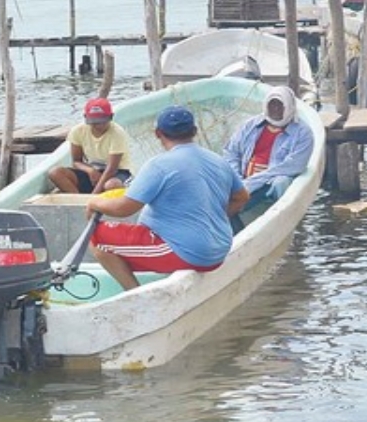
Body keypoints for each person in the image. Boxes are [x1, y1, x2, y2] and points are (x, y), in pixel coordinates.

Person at [86, 105, 249, 290]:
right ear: (194, 131)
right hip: (219, 248)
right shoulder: (217, 160)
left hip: (186, 252)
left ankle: (136, 295)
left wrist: (94, 202)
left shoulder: (159, 165)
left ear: (157, 133)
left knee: (97, 239)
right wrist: (212, 217)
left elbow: (124, 209)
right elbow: (241, 197)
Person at [223, 85, 313, 228]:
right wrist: (238, 180)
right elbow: (231, 152)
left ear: (289, 107)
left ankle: (280, 221)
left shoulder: (302, 133)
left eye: (280, 105)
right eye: (273, 104)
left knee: (281, 182)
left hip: (270, 183)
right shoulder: (250, 126)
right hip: (245, 180)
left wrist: (253, 183)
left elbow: (294, 165)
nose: (276, 109)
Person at [48, 97, 133, 195]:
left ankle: (96, 202)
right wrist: (90, 171)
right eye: (94, 122)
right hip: (93, 170)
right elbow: (76, 161)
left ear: (111, 117)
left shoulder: (117, 133)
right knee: (55, 172)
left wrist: (94, 194)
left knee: (111, 185)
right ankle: (77, 200)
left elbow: (111, 169)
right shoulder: (78, 131)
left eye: (102, 122)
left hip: (117, 173)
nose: (98, 126)